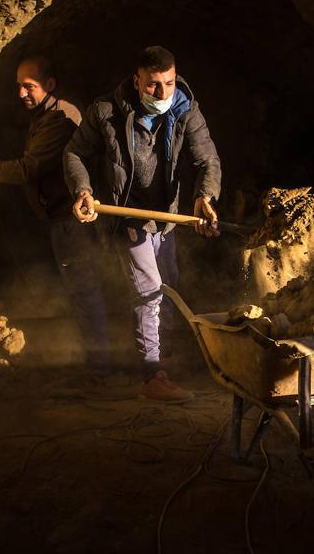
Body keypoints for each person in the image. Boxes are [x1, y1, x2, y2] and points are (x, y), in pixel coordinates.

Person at [63, 45, 221, 402]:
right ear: (137, 81)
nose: (162, 92)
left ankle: (163, 361)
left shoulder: (185, 108)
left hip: (164, 219)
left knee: (169, 287)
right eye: (153, 85)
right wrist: (83, 190)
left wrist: (205, 196)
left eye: (168, 82)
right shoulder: (105, 111)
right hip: (126, 215)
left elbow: (207, 159)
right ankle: (153, 377)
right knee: (149, 291)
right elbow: (74, 152)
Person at [0, 56, 110, 374]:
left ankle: (100, 367)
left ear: (49, 85)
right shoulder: (46, 114)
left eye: (30, 86)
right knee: (81, 289)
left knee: (83, 289)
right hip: (61, 217)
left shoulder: (59, 119)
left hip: (72, 220)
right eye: (19, 87)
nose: (22, 93)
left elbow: (28, 168)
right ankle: (97, 361)